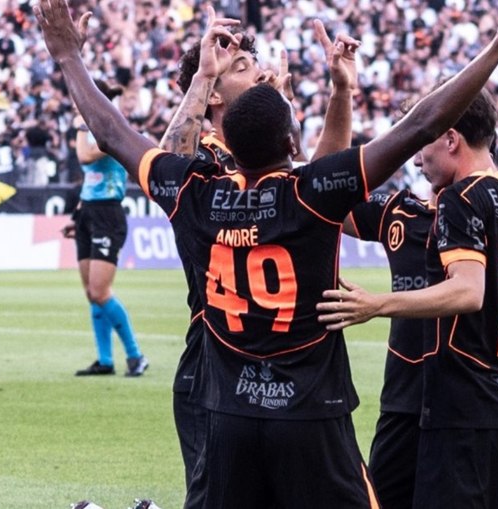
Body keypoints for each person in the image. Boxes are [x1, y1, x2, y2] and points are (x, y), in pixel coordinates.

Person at [34, 0, 498, 506]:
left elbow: (111, 133)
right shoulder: (309, 195)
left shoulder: (194, 192)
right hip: (311, 413)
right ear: (292, 144)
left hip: (228, 408)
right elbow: (422, 124)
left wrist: (68, 56)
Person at [341, 24, 498, 509]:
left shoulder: (465, 200)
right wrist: (343, 93)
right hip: (475, 402)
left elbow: (469, 291)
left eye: (422, 142)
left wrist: (377, 304)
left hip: (454, 402)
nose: (416, 159)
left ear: (451, 138)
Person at [158, 9, 360, 489]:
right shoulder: (207, 156)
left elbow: (320, 186)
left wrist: (315, 106)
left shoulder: (264, 153)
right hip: (216, 357)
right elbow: (167, 163)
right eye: (243, 66)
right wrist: (205, 76)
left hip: (288, 363)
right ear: (212, 95)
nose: (260, 71)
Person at [63, 79, 148, 378]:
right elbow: (90, 178)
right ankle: (105, 360)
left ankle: (135, 356)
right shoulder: (92, 129)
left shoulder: (109, 129)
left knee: (100, 291)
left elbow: (85, 156)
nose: (75, 105)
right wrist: (77, 216)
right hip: (88, 212)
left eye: (78, 99)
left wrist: (80, 125)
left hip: (108, 214)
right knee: (92, 293)